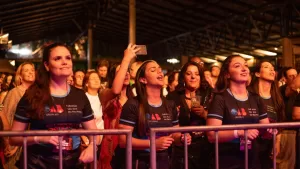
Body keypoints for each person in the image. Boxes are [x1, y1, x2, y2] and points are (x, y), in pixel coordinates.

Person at [9, 43, 99, 169]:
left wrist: (92, 147)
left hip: (72, 163)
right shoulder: (32, 95)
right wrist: (38, 138)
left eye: (68, 58)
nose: (65, 62)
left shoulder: (80, 96)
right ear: (46, 65)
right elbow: (14, 138)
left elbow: (94, 134)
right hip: (38, 163)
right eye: (58, 58)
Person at [119, 59, 191, 169]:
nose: (159, 72)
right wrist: (152, 144)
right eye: (153, 70)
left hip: (164, 162)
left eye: (160, 69)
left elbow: (175, 133)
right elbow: (123, 140)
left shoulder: (170, 104)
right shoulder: (133, 104)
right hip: (140, 162)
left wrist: (182, 138)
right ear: (143, 79)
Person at [206, 55, 272, 169]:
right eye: (237, 66)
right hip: (228, 159)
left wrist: (269, 131)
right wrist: (240, 132)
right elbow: (211, 135)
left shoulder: (256, 98)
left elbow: (264, 129)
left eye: (246, 65)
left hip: (253, 159)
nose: (244, 69)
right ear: (227, 74)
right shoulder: (220, 98)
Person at [167, 61, 212, 169]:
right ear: (183, 77)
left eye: (197, 74)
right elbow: (169, 123)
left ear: (201, 77)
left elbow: (220, 118)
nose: (193, 77)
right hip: (182, 148)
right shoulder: (173, 96)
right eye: (189, 74)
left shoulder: (209, 94)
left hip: (206, 149)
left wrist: (204, 114)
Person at [98, 44, 136, 169]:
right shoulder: (105, 94)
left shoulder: (134, 99)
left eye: (127, 71)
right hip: (110, 146)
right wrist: (126, 59)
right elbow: (115, 90)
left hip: (129, 145)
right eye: (121, 71)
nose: (125, 74)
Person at [249, 61, 285, 169]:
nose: (271, 70)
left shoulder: (277, 97)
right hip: (250, 145)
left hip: (267, 146)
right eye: (266, 67)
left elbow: (280, 123)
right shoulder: (249, 94)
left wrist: (277, 142)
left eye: (273, 68)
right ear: (257, 74)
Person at [3, 62, 35, 169]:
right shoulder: (15, 93)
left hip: (32, 144)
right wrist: (8, 143)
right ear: (20, 76)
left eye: (32, 69)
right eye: (26, 70)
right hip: (15, 144)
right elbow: (6, 118)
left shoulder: (38, 93)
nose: (30, 72)